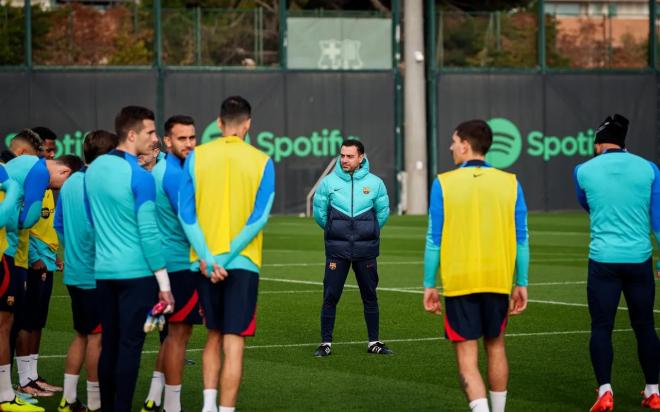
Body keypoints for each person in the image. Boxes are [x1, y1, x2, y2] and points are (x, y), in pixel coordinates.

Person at [423, 119, 529, 412]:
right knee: (496, 348)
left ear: (466, 145)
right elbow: (522, 239)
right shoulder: (511, 182)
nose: (451, 147)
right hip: (497, 279)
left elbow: (434, 239)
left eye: (454, 141)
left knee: (467, 362)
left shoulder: (443, 182)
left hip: (460, 282)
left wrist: (429, 284)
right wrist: (522, 282)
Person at [179, 96, 274, 412]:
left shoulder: (196, 157)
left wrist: (208, 258)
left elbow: (185, 214)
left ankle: (208, 407)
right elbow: (258, 219)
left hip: (204, 264)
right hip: (242, 264)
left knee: (213, 337)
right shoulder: (262, 161)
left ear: (219, 123)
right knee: (234, 344)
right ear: (248, 124)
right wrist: (227, 259)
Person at [85, 106, 174, 412]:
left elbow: (91, 220)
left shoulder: (93, 170)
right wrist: (164, 283)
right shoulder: (140, 176)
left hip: (104, 272)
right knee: (130, 347)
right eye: (150, 133)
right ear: (132, 134)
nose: (154, 139)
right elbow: (149, 235)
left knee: (110, 343)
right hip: (137, 274)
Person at [573, 114, 660, 412]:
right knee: (645, 325)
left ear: (598, 144)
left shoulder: (582, 170)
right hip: (640, 260)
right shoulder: (649, 168)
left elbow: (586, 204)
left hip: (603, 261)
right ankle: (653, 391)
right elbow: (657, 217)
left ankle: (605, 392)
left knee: (601, 327)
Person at [54, 130, 119, 412]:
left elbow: (59, 224)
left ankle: (68, 398)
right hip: (95, 275)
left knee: (82, 335)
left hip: (75, 272)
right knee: (97, 337)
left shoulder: (70, 184)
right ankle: (95, 402)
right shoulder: (99, 184)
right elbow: (100, 229)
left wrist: (72, 252)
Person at [311, 139, 391, 357]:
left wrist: (369, 230)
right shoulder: (328, 183)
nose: (344, 160)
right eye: (342, 156)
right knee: (330, 296)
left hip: (366, 251)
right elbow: (319, 214)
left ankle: (374, 342)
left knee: (370, 296)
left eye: (350, 156)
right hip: (337, 250)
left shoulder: (376, 184)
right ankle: (326, 343)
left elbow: (383, 213)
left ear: (361, 157)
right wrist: (335, 229)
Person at [141, 115, 199, 412]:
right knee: (178, 337)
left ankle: (154, 396)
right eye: (182, 138)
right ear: (167, 141)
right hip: (179, 265)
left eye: (192, 137)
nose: (189, 143)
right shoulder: (173, 174)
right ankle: (172, 406)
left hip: (166, 263)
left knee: (171, 337)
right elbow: (190, 220)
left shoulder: (163, 169)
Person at [16, 127, 64, 397]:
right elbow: (25, 224)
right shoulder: (31, 179)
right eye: (46, 149)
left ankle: (32, 376)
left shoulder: (48, 183)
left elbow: (43, 224)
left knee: (38, 322)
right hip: (32, 262)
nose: (51, 154)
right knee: (26, 322)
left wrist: (53, 253)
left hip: (46, 258)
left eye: (53, 150)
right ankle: (24, 380)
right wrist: (36, 258)